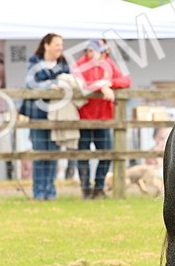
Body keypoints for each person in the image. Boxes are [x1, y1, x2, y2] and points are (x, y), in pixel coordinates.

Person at [75, 39, 131, 199]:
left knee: (107, 154)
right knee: (83, 156)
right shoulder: (80, 65)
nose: (102, 54)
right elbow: (82, 84)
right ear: (88, 51)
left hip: (104, 118)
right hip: (84, 119)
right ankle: (86, 190)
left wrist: (109, 82)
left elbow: (126, 81)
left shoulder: (108, 63)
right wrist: (102, 86)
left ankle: (99, 188)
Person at [22, 33, 71, 201]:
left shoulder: (64, 63)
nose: (60, 48)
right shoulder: (34, 61)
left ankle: (50, 191)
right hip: (37, 114)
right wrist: (50, 85)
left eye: (61, 45)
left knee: (53, 153)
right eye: (57, 44)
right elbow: (30, 83)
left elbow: (70, 82)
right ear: (46, 45)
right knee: (40, 153)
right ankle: (39, 192)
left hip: (57, 114)